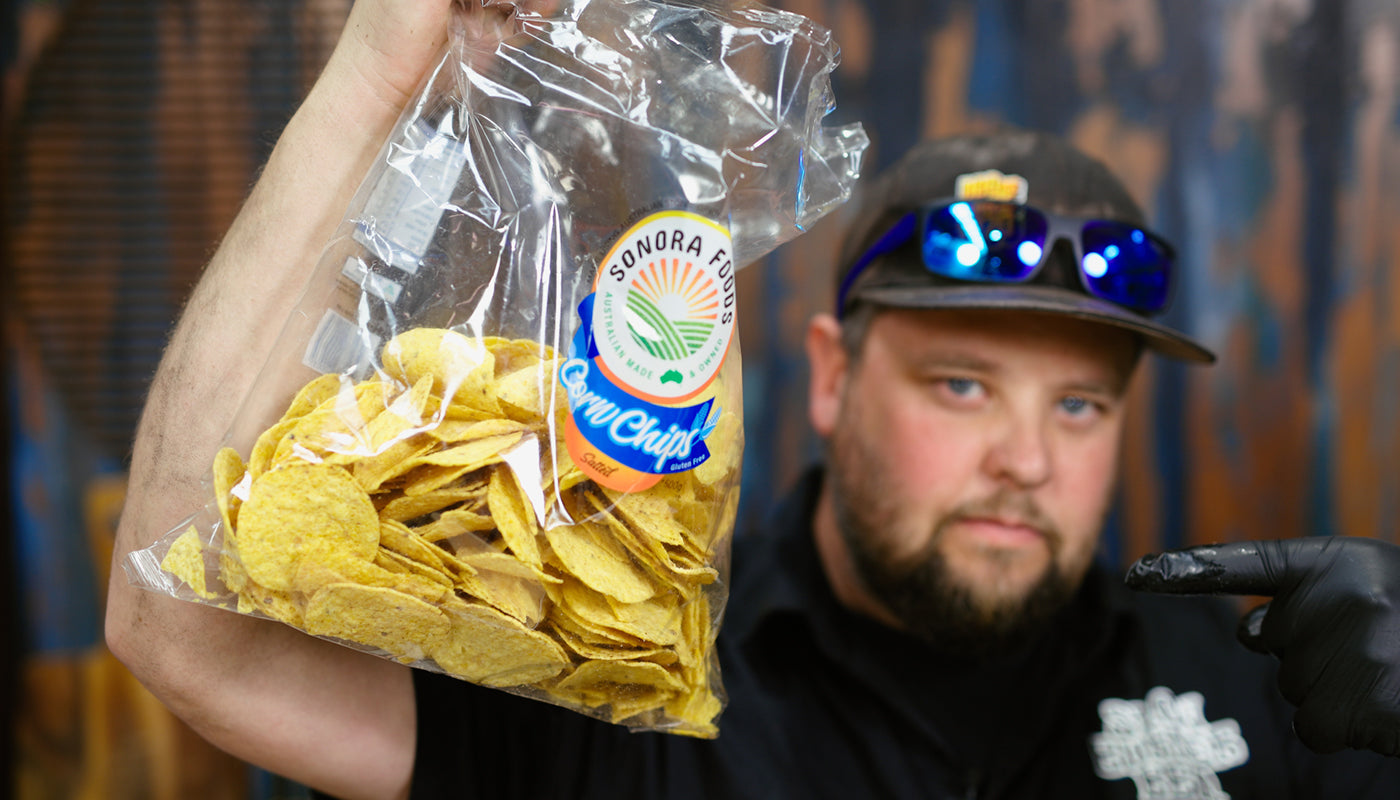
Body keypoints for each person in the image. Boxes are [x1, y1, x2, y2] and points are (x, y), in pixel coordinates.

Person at [105, 1, 1400, 798]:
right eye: (962, 384)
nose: (1025, 458)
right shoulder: (609, 683)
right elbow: (180, 632)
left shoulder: (1271, 691)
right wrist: (377, 76)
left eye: (1081, 408)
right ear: (833, 375)